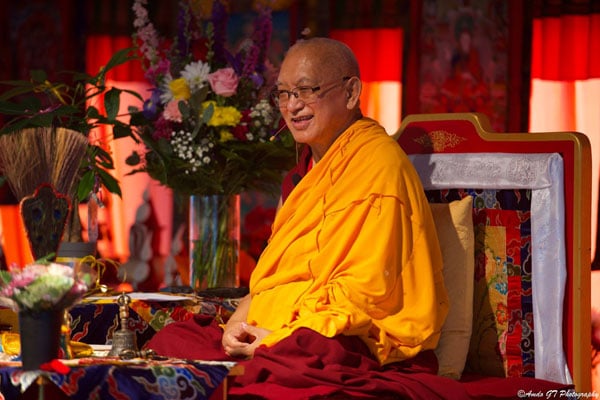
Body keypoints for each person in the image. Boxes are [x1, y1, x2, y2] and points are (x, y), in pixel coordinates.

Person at [147, 37, 449, 399]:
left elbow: (367, 292)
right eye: (284, 94)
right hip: (279, 328)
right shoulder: (301, 175)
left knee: (293, 362)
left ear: (351, 92)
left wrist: (280, 337)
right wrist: (238, 324)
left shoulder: (381, 165)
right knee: (172, 339)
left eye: (306, 90)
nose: (292, 106)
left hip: (335, 336)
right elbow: (272, 279)